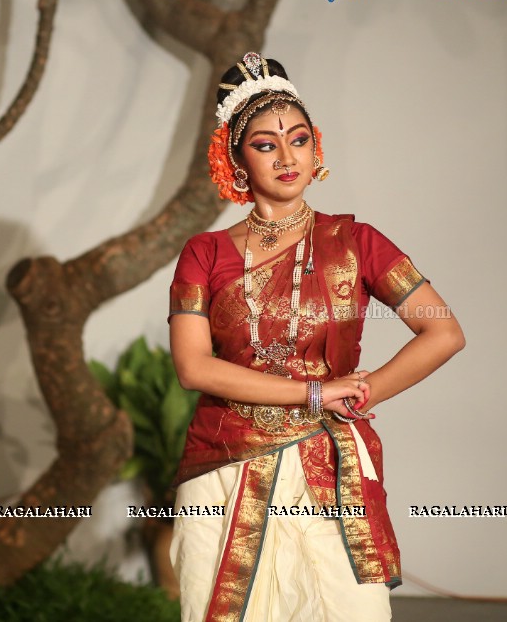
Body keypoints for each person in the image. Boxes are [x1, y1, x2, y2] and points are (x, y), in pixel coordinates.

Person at [167, 52, 465, 622]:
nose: (286, 156)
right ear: (235, 158)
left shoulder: (357, 243)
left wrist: (364, 389)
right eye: (265, 144)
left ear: (315, 148)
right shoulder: (203, 255)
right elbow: (194, 368)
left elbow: (443, 330)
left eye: (299, 139)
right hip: (224, 467)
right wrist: (313, 394)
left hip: (327, 466)